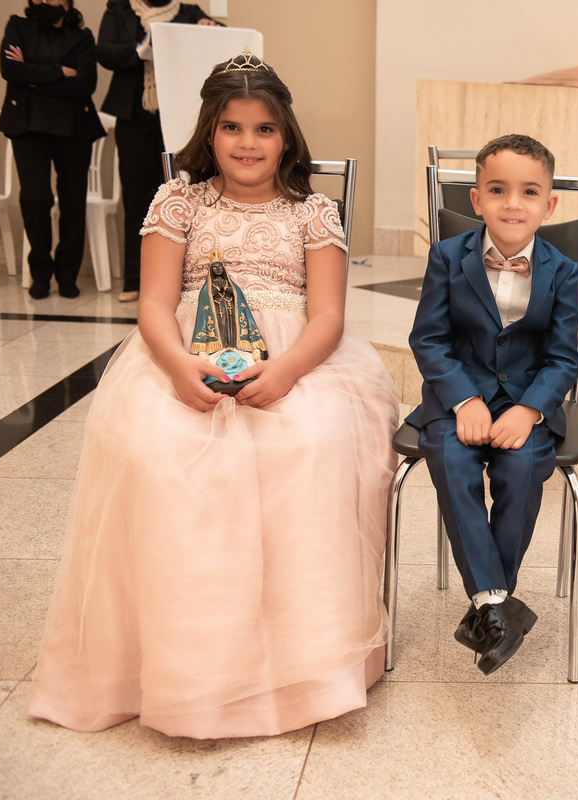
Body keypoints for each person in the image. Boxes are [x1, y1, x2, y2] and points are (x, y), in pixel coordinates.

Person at [27, 51, 399, 738]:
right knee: (165, 450)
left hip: (295, 359)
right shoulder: (180, 202)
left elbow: (328, 316)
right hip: (185, 353)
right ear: (208, 131)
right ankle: (185, 662)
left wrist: (285, 371)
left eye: (263, 129)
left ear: (286, 135)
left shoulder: (313, 212)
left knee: (310, 443)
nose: (248, 143)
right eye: (231, 127)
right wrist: (176, 368)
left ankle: (303, 661)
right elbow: (155, 306)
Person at [407, 134, 578, 675]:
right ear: (476, 200)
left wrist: (529, 410)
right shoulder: (447, 257)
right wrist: (464, 399)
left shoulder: (563, 270)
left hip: (527, 402)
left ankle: (487, 607)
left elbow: (563, 358)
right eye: (498, 190)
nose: (513, 203)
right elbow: (428, 340)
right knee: (452, 461)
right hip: (455, 399)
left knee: (523, 466)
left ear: (549, 205)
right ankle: (498, 606)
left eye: (530, 192)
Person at [97, 0, 220, 302]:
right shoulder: (119, 9)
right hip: (135, 116)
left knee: (187, 194)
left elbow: (218, 40)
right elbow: (105, 53)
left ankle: (184, 277)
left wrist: (209, 29)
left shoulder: (189, 12)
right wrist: (146, 44)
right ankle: (134, 278)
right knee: (137, 195)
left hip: (179, 114)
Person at [0, 0, 106, 299]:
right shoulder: (18, 26)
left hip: (74, 130)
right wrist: (60, 71)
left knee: (73, 203)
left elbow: (85, 84)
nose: (48, 2)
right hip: (28, 127)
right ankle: (41, 272)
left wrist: (32, 75)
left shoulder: (81, 37)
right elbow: (10, 70)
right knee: (35, 199)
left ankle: (67, 275)